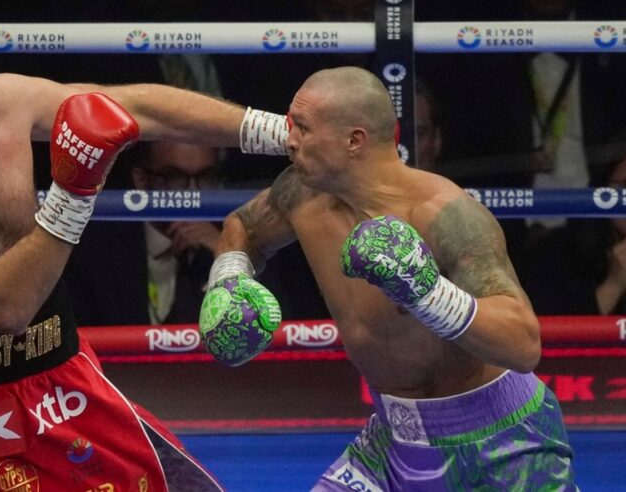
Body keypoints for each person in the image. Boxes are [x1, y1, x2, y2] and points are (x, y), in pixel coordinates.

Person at [0, 11, 289, 492]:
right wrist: (73, 195)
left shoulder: (3, 106)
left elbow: (137, 108)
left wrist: (279, 134)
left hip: (64, 382)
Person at [197, 67, 575, 490]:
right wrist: (229, 276)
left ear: (354, 140)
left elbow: (524, 345)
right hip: (393, 441)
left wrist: (428, 293)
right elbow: (243, 227)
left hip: (501, 440)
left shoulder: (444, 214)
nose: (289, 140)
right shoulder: (300, 193)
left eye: (302, 127)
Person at [68, 140, 222, 326]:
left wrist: (227, 254)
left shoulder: (230, 239)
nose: (192, 193)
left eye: (205, 177)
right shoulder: (94, 249)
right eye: (175, 177)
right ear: (140, 179)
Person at [524, 136, 626, 315]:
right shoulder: (556, 253)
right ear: (602, 186)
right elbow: (549, 338)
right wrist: (614, 285)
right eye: (625, 185)